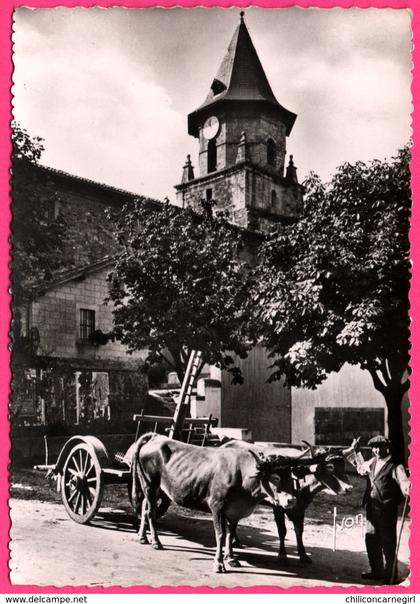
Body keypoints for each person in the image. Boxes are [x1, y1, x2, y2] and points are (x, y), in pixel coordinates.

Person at [345, 435, 410, 584]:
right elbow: (361, 468)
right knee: (371, 539)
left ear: (387, 447)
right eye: (374, 447)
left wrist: (406, 486)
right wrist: (356, 451)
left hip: (387, 510)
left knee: (388, 542)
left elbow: (403, 479)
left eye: (380, 447)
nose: (377, 450)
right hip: (371, 508)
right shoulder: (373, 461)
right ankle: (377, 571)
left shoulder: (395, 465)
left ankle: (391, 575)